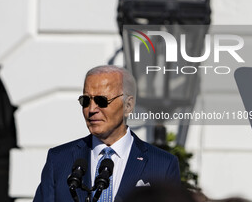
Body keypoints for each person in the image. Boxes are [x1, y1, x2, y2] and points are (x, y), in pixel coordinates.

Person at [33, 65, 180, 202]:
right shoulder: (59, 160)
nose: (91, 109)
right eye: (85, 100)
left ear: (128, 106)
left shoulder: (162, 165)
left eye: (101, 101)